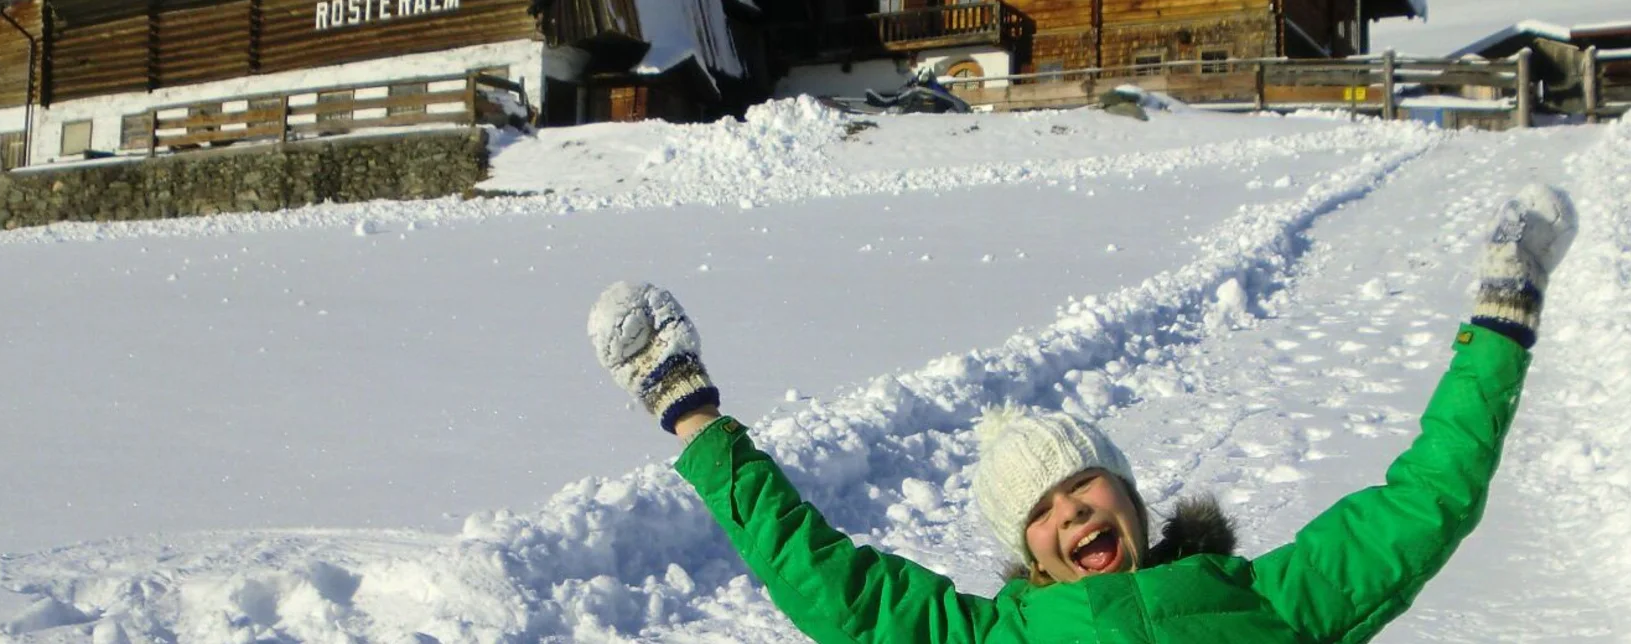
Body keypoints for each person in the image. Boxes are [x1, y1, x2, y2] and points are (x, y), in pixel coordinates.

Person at [586, 184, 1579, 643]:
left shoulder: (1269, 597)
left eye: (1081, 482)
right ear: (1030, 549)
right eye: (1044, 508)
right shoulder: (983, 637)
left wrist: (1500, 320)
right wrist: (693, 416)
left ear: (1129, 495)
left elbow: (1430, 495)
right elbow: (825, 577)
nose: (1071, 511)